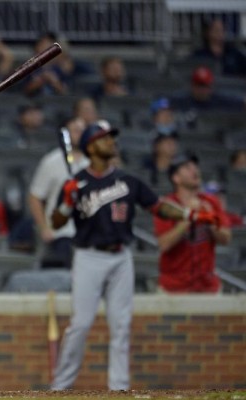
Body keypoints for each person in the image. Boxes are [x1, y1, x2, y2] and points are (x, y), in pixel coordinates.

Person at [49, 120, 220, 391]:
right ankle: (60, 386)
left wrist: (189, 214)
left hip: (120, 257)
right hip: (88, 257)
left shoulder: (128, 181)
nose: (112, 142)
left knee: (121, 326)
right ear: (91, 146)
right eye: (105, 138)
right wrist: (66, 203)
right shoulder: (76, 183)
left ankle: (119, 388)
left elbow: (159, 207)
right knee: (80, 325)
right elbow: (56, 223)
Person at [154, 154, 232, 293]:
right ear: (176, 178)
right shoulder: (166, 206)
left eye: (195, 166)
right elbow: (163, 244)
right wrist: (188, 216)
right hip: (173, 287)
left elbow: (226, 238)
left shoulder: (211, 202)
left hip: (207, 286)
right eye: (187, 167)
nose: (194, 170)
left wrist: (210, 220)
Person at [29, 117, 88, 268]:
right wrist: (43, 227)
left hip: (89, 233)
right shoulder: (52, 161)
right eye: (75, 131)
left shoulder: (93, 162)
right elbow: (35, 196)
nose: (79, 134)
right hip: (61, 232)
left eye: (83, 131)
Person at [169, 66, 245, 113]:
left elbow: (242, 103)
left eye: (205, 86)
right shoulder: (181, 100)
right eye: (199, 85)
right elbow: (161, 103)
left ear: (211, 86)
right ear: (192, 86)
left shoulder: (220, 100)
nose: (202, 89)